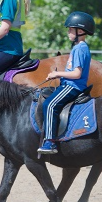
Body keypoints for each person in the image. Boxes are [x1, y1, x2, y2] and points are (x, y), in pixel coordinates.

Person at [37, 11, 95, 154]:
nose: (68, 32)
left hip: (73, 86)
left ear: (80, 30)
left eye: (70, 29)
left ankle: (50, 142)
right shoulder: (77, 47)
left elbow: (77, 74)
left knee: (49, 104)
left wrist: (57, 73)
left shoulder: (80, 48)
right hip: (68, 84)